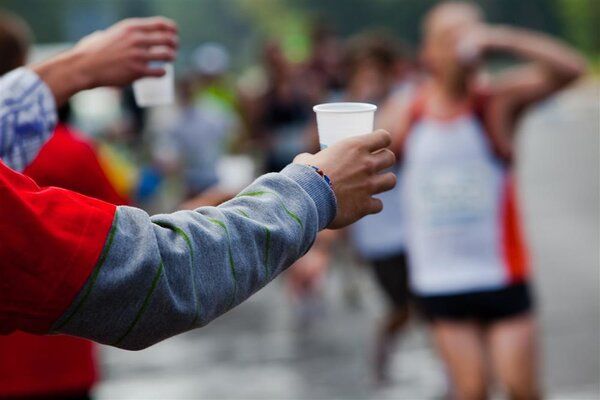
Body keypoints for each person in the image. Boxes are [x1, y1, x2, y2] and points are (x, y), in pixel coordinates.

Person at [0, 17, 397, 351]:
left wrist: (72, 69)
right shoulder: (79, 152)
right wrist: (315, 190)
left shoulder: (222, 104)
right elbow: (151, 275)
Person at [382, 2, 586, 398]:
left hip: (501, 274)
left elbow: (571, 70)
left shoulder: (496, 102)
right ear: (428, 52)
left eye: (471, 32)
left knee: (520, 388)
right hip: (439, 280)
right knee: (472, 389)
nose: (464, 44)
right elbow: (363, 166)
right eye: (451, 37)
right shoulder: (407, 112)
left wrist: (502, 38)